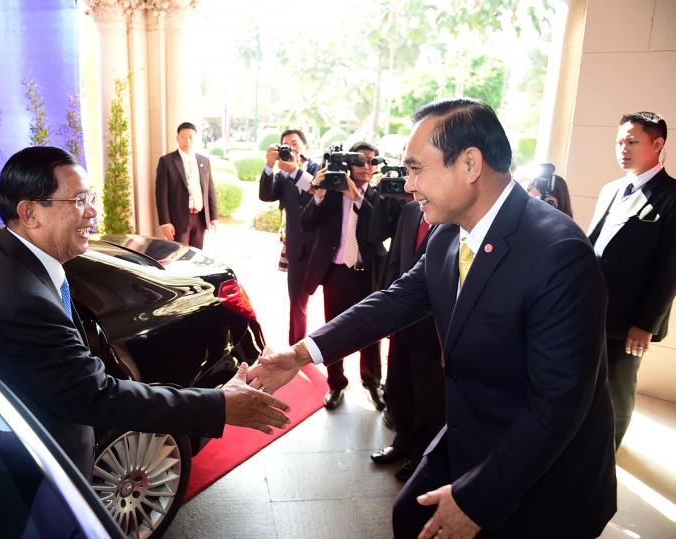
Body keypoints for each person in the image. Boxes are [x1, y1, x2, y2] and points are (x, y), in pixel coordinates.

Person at [250, 97, 616, 538]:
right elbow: (393, 302)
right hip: (469, 430)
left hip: (543, 471)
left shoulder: (559, 253)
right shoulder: (447, 235)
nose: (408, 186)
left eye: (416, 169)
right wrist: (300, 355)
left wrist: (478, 501)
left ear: (470, 164)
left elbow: (558, 405)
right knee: (408, 517)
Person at [0, 146, 290, 482]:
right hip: (31, 476)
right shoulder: (23, 299)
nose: (92, 211)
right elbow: (95, 395)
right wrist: (219, 406)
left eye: (90, 197)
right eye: (78, 200)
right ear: (30, 213)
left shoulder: (12, 260)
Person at [586, 111, 676, 450]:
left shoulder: (672, 196)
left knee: (617, 388)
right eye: (619, 142)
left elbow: (670, 270)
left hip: (629, 320)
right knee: (584, 381)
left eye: (632, 142)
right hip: (591, 308)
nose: (622, 149)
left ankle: (607, 452)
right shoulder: (611, 189)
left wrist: (646, 324)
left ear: (657, 143)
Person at [300, 141, 388, 411]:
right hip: (336, 273)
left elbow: (380, 230)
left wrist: (357, 197)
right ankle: (336, 383)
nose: (367, 166)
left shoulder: (380, 194)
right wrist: (318, 194)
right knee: (334, 330)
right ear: (349, 163)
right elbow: (306, 225)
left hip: (367, 274)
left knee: (370, 330)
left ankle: (372, 383)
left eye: (373, 161)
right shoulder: (331, 192)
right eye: (361, 160)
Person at [370, 193, 445, 484]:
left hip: (433, 326)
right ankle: (401, 442)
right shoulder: (411, 210)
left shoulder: (453, 214)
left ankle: (421, 452)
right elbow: (394, 263)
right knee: (397, 386)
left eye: (416, 171)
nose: (409, 183)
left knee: (428, 394)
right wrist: (386, 313)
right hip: (401, 319)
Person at [259, 129, 318, 345]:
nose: (291, 148)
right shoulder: (282, 175)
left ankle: (329, 349)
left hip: (323, 248)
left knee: (334, 305)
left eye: (295, 143)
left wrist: (294, 170)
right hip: (297, 248)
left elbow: (318, 189)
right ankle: (296, 348)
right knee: (296, 304)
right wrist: (269, 165)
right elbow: (266, 195)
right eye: (285, 144)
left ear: (306, 146)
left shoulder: (321, 168)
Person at [155, 122, 219, 250]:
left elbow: (209, 189)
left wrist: (214, 216)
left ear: (196, 138)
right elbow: (161, 194)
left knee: (197, 255)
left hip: (200, 217)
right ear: (177, 138)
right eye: (183, 136)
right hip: (178, 219)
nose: (187, 140)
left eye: (191, 137)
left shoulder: (204, 161)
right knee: (179, 254)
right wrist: (165, 222)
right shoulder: (167, 161)